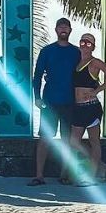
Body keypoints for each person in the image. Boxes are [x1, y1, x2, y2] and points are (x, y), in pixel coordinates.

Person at [29, 18, 81, 186]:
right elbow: (37, 76)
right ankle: (39, 176)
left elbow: (84, 76)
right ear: (56, 30)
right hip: (49, 101)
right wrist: (36, 97)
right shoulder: (47, 51)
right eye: (60, 26)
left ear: (70, 30)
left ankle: (64, 175)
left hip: (70, 102)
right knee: (45, 138)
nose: (63, 29)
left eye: (66, 27)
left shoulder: (76, 52)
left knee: (67, 140)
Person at [66, 33, 106, 185]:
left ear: (93, 46)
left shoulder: (95, 62)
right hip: (78, 107)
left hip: (91, 108)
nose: (85, 45)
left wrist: (97, 91)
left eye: (89, 43)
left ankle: (92, 176)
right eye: (83, 42)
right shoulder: (76, 62)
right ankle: (100, 167)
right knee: (73, 142)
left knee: (94, 141)